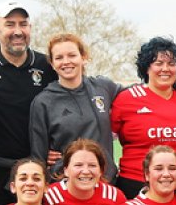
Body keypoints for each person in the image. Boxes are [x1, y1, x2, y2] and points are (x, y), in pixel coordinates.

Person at [0, 1, 57, 205]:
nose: (18, 31)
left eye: (23, 24)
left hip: (37, 171)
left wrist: (60, 147)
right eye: (10, 24)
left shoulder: (47, 65)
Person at [111, 37, 176, 198]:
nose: (166, 69)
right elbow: (104, 135)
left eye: (172, 63)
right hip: (139, 186)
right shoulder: (126, 99)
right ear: (147, 67)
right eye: (159, 63)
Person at [28, 33, 121, 180]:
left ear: (83, 58)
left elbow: (137, 96)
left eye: (72, 55)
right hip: (66, 185)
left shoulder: (103, 87)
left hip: (105, 182)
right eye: (59, 58)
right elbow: (38, 157)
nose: (66, 62)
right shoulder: (43, 102)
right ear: (52, 64)